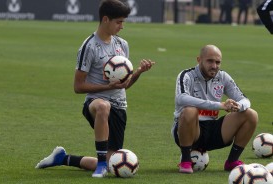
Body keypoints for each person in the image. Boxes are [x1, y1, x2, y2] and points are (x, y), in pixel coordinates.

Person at [35, 0, 155, 178]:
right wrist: (107, 87)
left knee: (113, 164)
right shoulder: (89, 46)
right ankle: (100, 164)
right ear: (106, 19)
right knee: (102, 106)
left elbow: (125, 85)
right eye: (119, 22)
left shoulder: (122, 45)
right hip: (95, 102)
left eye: (123, 22)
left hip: (120, 107)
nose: (122, 26)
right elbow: (78, 86)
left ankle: (63, 158)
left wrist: (138, 72)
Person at [171, 45, 258, 174]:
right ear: (199, 59)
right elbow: (181, 98)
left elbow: (245, 100)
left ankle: (232, 161)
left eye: (218, 62)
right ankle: (185, 160)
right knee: (190, 110)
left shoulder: (223, 77)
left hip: (213, 130)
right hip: (190, 131)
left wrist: (237, 106)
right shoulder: (186, 75)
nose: (214, 66)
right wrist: (220, 105)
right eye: (210, 61)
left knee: (251, 114)